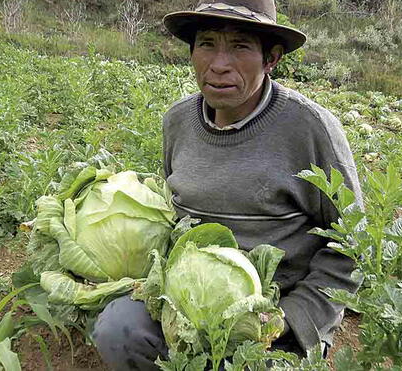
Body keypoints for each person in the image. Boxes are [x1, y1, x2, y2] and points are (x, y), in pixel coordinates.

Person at [92, 1, 363, 369]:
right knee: (116, 328)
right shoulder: (178, 122)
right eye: (206, 44)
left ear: (272, 58)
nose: (219, 64)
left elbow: (353, 243)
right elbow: (175, 215)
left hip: (274, 317)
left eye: (240, 46)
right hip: (186, 302)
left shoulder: (309, 128)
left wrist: (290, 317)